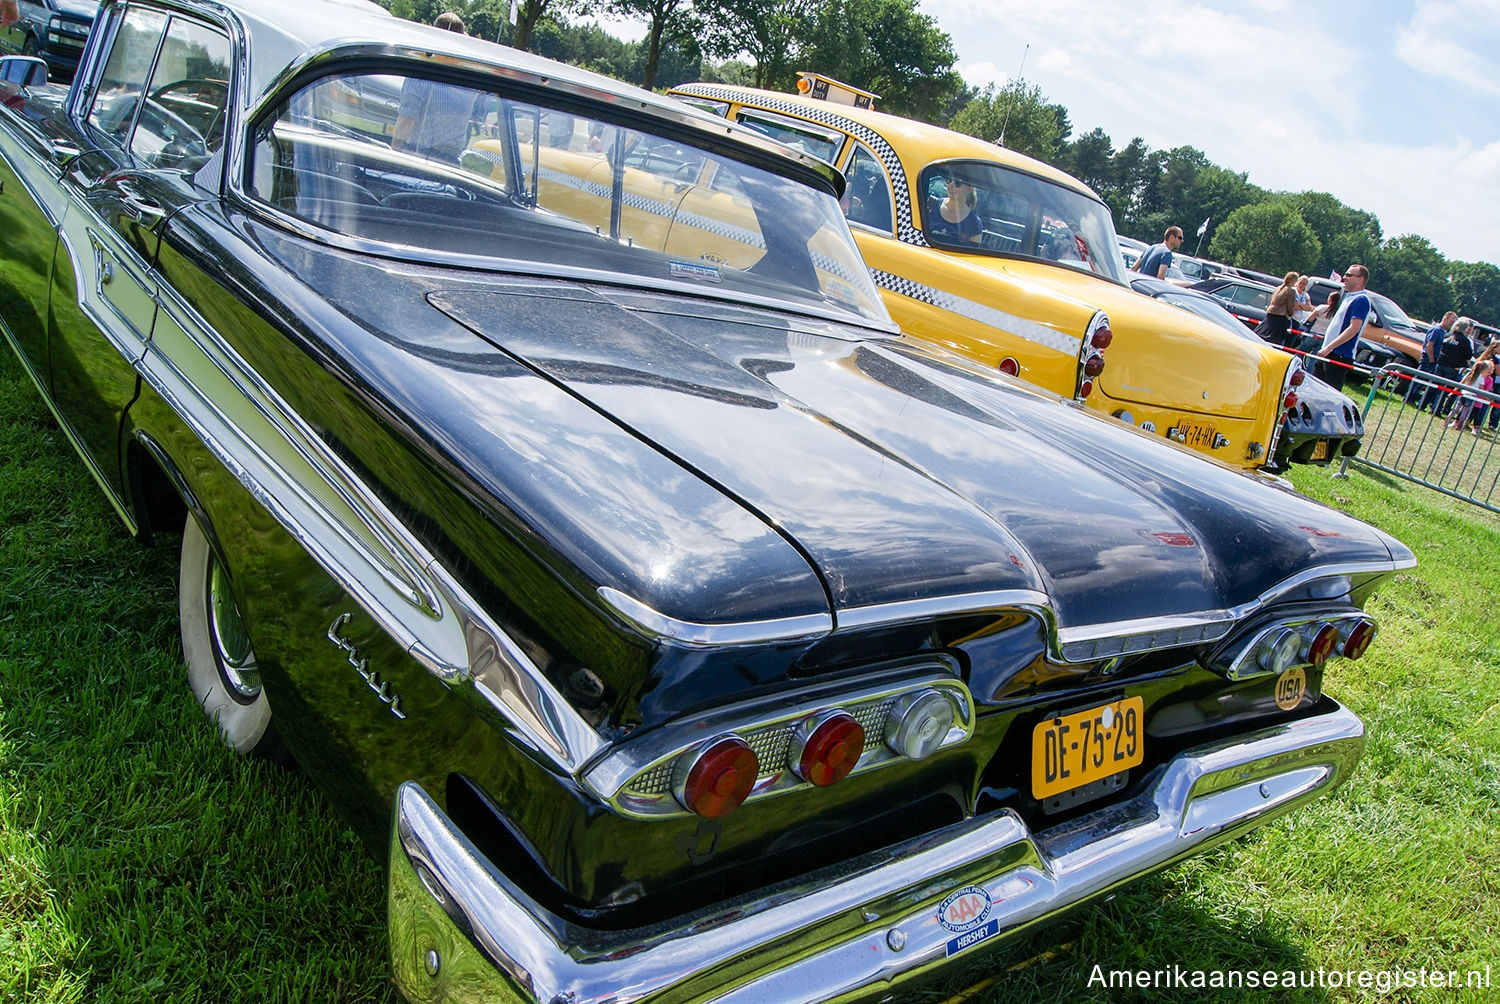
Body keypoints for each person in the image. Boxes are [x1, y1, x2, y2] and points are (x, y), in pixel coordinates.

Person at [390, 13, 477, 162]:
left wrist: (393, 154)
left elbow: (406, 120)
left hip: (419, 156)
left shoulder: (421, 73)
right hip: (452, 161)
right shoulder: (471, 79)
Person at [1313, 264, 1372, 392]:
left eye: (1349, 275)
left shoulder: (1361, 299)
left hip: (1339, 354)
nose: (1344, 277)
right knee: (1314, 390)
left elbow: (1354, 328)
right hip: (1328, 351)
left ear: (1359, 279)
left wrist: (1329, 347)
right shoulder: (1349, 297)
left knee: (1329, 395)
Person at [1422, 316, 1475, 417]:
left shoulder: (1447, 335)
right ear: (1464, 328)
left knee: (1432, 386)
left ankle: (1422, 404)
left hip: (1440, 364)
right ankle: (1436, 410)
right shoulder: (1465, 341)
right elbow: (1468, 355)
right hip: (1452, 368)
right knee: (1444, 390)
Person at [1411, 311, 1458, 405]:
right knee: (1419, 380)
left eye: (1453, 323)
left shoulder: (1443, 332)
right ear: (1445, 318)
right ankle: (1409, 398)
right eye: (1451, 322)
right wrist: (1432, 359)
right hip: (1428, 359)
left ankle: (1413, 398)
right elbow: (1429, 345)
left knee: (1423, 382)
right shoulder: (1436, 330)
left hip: (1433, 359)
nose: (1451, 325)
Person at [928, 175, 982, 246]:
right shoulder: (931, 205)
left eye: (957, 183)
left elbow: (973, 253)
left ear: (970, 188)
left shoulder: (974, 222)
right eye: (949, 180)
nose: (950, 186)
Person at [1256, 271, 1299, 348]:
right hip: (1281, 316)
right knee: (1276, 339)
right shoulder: (1291, 291)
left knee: (1263, 332)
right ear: (1294, 281)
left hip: (1271, 313)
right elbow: (1290, 305)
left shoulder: (1278, 288)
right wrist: (1291, 313)